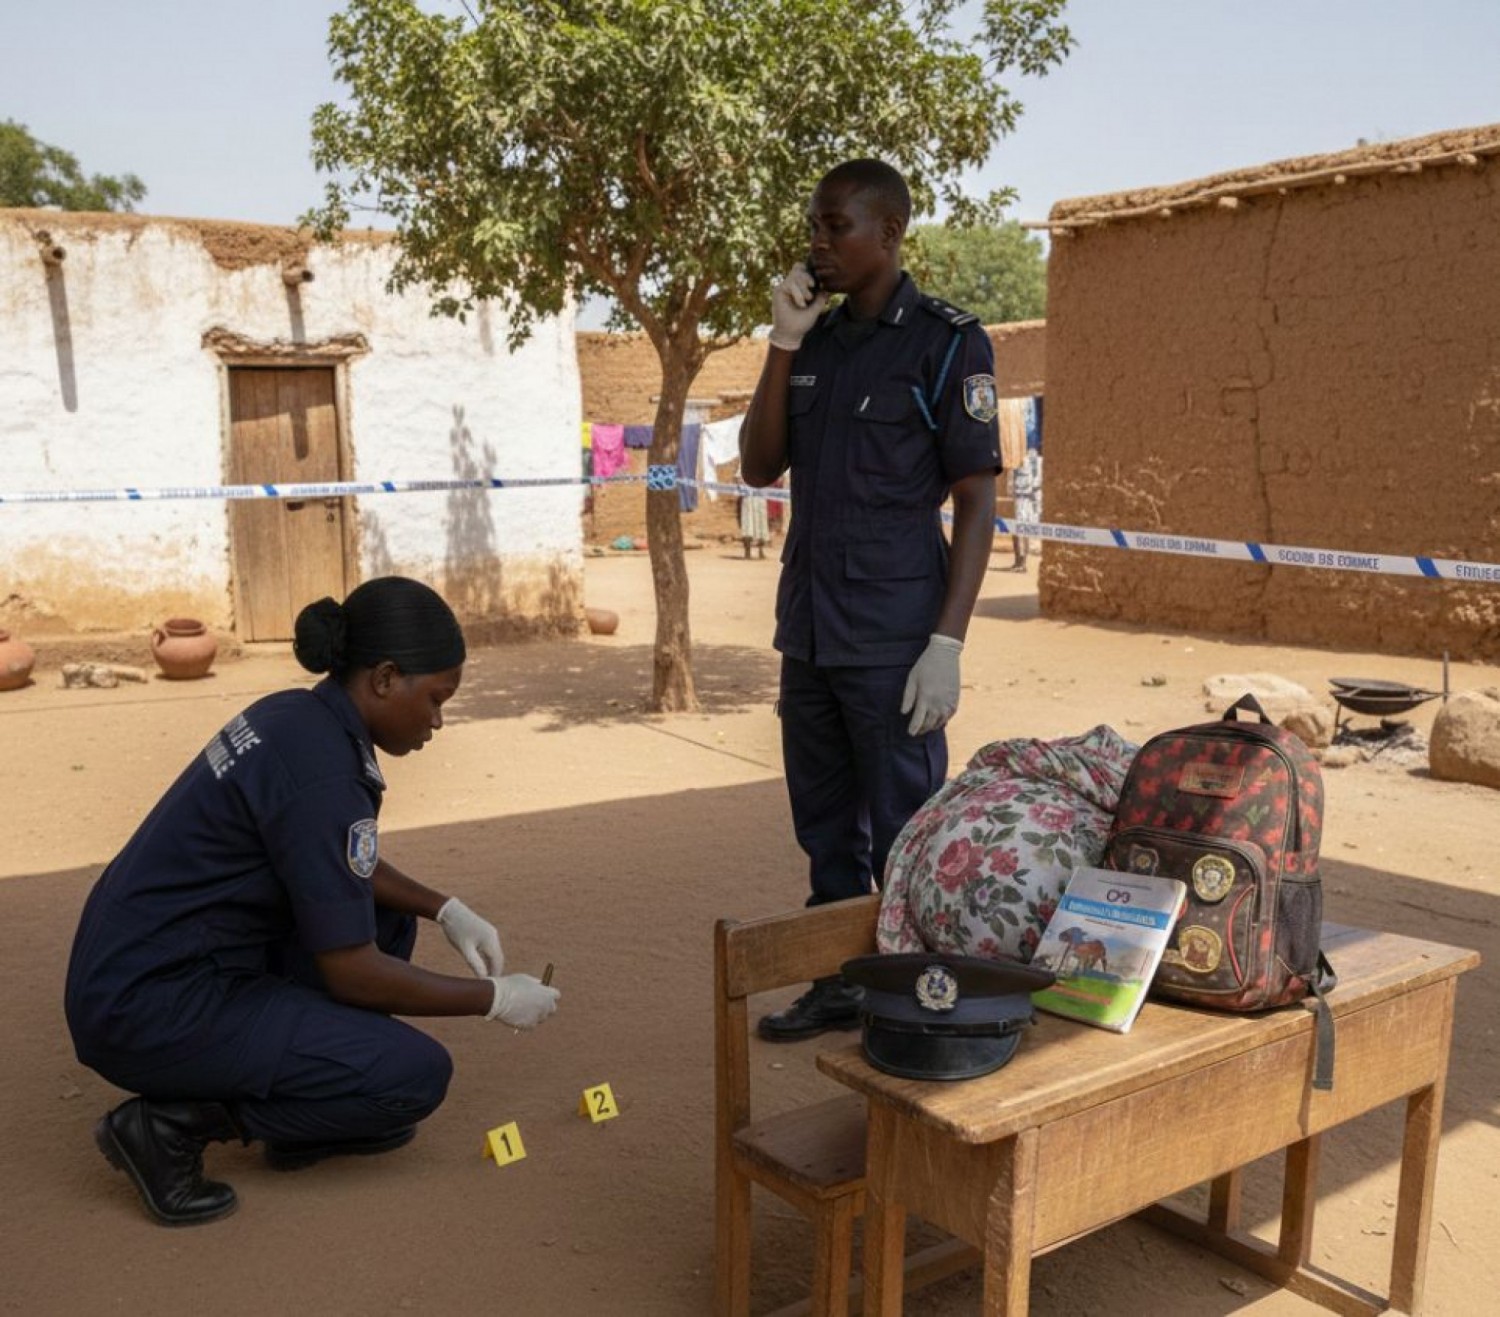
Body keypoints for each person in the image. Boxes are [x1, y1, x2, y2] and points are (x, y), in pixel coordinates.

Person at [64, 576, 560, 1226]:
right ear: (384, 678)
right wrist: (494, 999)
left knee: (385, 915)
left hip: (139, 969)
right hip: (151, 1006)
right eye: (436, 698)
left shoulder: (297, 717)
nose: (438, 720)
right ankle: (170, 1126)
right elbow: (350, 969)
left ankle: (306, 1104)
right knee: (413, 1075)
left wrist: (443, 906)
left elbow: (329, 859)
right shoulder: (325, 770)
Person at [739, 159, 1001, 1041]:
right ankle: (842, 980)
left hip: (895, 637)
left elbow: (976, 501)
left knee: (906, 830)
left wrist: (949, 643)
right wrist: (780, 342)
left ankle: (919, 998)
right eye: (813, 224)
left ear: (889, 234)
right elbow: (757, 465)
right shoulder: (811, 339)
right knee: (824, 828)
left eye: (836, 226)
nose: (818, 241)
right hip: (810, 629)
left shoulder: (946, 342)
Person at [1009, 445, 1042, 571]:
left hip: (1028, 498)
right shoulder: (1018, 461)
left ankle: (1022, 562)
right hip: (1021, 497)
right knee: (1016, 530)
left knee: (1023, 530)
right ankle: (1019, 561)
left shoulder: (1036, 462)